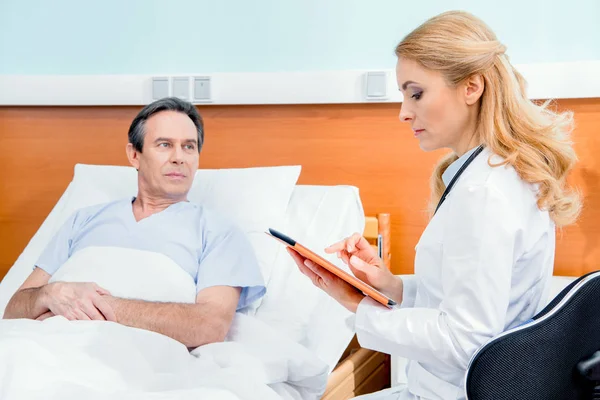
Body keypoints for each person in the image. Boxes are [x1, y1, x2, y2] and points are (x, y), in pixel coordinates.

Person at [287, 10, 581, 400]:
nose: (404, 111)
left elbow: (465, 340)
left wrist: (357, 306)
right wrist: (390, 286)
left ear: (471, 87)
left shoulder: (486, 193)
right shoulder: (490, 173)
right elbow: (465, 296)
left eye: (417, 93)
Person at [3, 97, 265, 349]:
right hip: (45, 347)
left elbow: (210, 326)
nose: (179, 157)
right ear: (134, 155)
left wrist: (95, 307)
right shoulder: (82, 220)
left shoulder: (219, 233)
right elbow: (13, 309)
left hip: (133, 359)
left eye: (189, 146)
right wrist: (52, 294)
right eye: (164, 144)